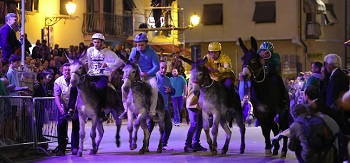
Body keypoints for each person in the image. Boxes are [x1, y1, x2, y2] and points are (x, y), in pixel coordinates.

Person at [84, 33, 123, 120]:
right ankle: (74, 109)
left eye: (98, 42)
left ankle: (102, 109)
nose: (96, 44)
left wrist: (108, 64)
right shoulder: (89, 50)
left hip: (102, 75)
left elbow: (119, 62)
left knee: (102, 88)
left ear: (102, 43)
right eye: (94, 42)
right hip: (91, 74)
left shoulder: (109, 53)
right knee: (79, 86)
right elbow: (84, 59)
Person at [129, 33, 160, 122]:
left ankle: (152, 112)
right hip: (137, 76)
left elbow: (157, 66)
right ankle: (126, 108)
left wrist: (147, 73)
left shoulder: (152, 52)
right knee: (125, 86)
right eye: (138, 45)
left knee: (154, 89)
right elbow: (130, 63)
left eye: (142, 45)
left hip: (149, 77)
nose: (140, 47)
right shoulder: (134, 51)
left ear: (146, 43)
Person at [148, 60, 175, 150]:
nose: (163, 70)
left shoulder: (167, 79)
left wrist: (170, 91)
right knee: (150, 127)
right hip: (154, 108)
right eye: (161, 68)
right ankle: (146, 145)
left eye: (165, 68)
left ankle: (163, 144)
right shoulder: (154, 77)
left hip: (164, 108)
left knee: (168, 126)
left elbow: (173, 90)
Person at [53, 63, 79, 156]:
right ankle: (61, 149)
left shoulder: (76, 81)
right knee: (61, 126)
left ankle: (75, 147)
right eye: (66, 70)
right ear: (62, 71)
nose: (67, 71)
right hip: (63, 106)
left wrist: (75, 106)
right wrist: (60, 108)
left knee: (76, 125)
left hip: (75, 106)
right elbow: (57, 96)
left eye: (69, 70)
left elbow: (78, 95)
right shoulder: (58, 81)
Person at [205, 42, 236, 114]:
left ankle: (231, 105)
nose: (213, 54)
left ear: (219, 52)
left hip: (224, 78)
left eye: (215, 52)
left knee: (229, 85)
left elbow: (227, 68)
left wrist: (215, 70)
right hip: (213, 79)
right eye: (211, 52)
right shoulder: (207, 58)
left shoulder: (225, 58)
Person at [258, 41, 288, 109]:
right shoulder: (258, 53)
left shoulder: (275, 55)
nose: (264, 53)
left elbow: (276, 62)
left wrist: (266, 60)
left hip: (272, 74)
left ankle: (283, 100)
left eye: (267, 51)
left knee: (279, 80)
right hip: (262, 74)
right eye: (263, 51)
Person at [184, 77, 207, 152]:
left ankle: (196, 144)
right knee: (194, 125)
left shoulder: (200, 78)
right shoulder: (194, 78)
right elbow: (196, 90)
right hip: (192, 103)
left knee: (200, 125)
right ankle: (187, 144)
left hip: (199, 104)